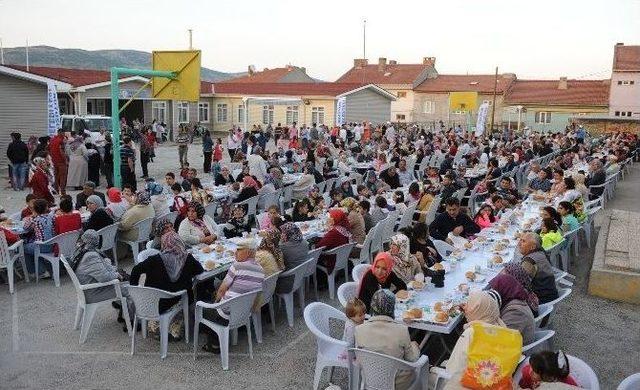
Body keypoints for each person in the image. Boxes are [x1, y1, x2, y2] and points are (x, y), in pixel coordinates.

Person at [130, 230, 204, 339]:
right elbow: (200, 270)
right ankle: (177, 326)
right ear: (180, 242)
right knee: (193, 292)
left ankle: (159, 326)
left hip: (154, 302)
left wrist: (136, 290)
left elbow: (135, 270)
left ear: (164, 243)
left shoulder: (154, 260)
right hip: (176, 300)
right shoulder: (187, 258)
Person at [202, 238, 264, 353]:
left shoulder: (237, 266)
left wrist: (215, 304)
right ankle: (219, 333)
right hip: (243, 312)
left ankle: (214, 344)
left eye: (239, 250)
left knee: (199, 308)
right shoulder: (260, 270)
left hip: (226, 312)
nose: (235, 253)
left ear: (248, 252)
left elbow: (221, 291)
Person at [354, 289, 420, 390]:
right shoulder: (401, 330)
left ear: (372, 306)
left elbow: (360, 357)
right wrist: (415, 347)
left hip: (371, 379)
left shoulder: (359, 330)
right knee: (421, 360)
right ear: (392, 307)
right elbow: (411, 359)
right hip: (397, 383)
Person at [442, 291, 507, 382]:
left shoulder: (471, 333)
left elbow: (453, 371)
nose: (466, 310)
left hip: (471, 383)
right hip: (495, 381)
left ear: (477, 309)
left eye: (469, 304)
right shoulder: (501, 326)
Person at [71, 229, 128, 316]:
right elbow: (104, 277)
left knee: (120, 278)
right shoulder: (90, 256)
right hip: (93, 292)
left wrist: (110, 266)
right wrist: (117, 275)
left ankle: (122, 307)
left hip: (85, 288)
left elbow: (98, 268)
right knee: (129, 290)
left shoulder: (79, 250)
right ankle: (133, 321)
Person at [488, 274, 536, 345]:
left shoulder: (515, 312)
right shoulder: (514, 298)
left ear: (504, 290)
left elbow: (501, 339)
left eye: (495, 289)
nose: (493, 293)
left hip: (518, 350)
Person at [518, 232, 558, 304]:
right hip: (549, 294)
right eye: (520, 240)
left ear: (533, 247)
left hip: (541, 300)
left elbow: (520, 284)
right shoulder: (541, 252)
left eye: (523, 241)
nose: (519, 243)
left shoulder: (530, 261)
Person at [22, 199, 55, 277]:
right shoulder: (52, 217)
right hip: (54, 244)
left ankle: (35, 271)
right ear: (46, 207)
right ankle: (42, 269)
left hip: (42, 246)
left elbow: (25, 228)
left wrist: (32, 215)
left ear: (34, 209)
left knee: (24, 247)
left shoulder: (35, 219)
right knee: (34, 246)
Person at [117, 190, 155, 256]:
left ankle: (120, 255)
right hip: (147, 232)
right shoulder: (150, 206)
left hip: (135, 235)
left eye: (135, 196)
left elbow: (124, 226)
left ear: (138, 198)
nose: (133, 197)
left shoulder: (134, 211)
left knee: (115, 232)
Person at [276, 222, 310, 293]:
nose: (281, 234)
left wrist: (281, 241)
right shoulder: (304, 242)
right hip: (301, 275)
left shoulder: (283, 247)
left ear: (287, 234)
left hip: (288, 279)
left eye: (283, 233)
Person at [316, 208, 351, 273]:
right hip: (341, 257)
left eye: (330, 217)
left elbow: (318, 247)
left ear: (335, 219)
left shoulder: (334, 233)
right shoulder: (343, 228)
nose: (328, 218)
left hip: (332, 260)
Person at [48, 129, 68, 195]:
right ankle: (63, 191)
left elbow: (48, 149)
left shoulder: (52, 140)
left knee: (56, 177)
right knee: (63, 177)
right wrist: (65, 160)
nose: (64, 135)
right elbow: (61, 151)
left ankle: (56, 190)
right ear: (61, 133)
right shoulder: (61, 141)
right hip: (61, 161)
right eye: (64, 133)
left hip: (54, 161)